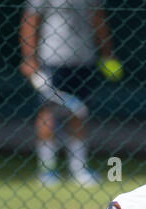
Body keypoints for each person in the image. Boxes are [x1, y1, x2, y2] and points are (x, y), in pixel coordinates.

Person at [19, 0, 117, 187]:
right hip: (51, 60)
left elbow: (98, 18)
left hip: (84, 60)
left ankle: (78, 168)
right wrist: (29, 58)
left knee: (79, 112)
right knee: (48, 112)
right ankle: (47, 170)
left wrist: (107, 52)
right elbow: (30, 21)